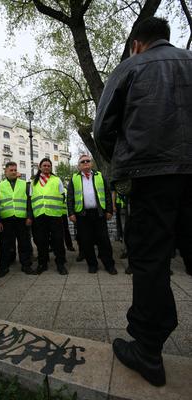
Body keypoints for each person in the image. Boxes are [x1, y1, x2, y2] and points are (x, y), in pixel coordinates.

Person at [94, 17, 192, 386]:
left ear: (136, 43)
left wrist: (124, 160)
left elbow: (102, 127)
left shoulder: (131, 66)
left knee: (151, 260)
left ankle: (148, 351)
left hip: (152, 177)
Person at [67, 154, 116, 274]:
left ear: (91, 163)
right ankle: (92, 264)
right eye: (82, 162)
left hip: (99, 213)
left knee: (104, 240)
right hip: (82, 215)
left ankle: (109, 264)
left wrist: (109, 210)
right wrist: (71, 213)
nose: (85, 163)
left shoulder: (99, 176)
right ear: (79, 166)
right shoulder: (74, 178)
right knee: (86, 241)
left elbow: (107, 193)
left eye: (87, 161)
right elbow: (70, 197)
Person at [0, 161, 36, 277]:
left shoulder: (24, 184)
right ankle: (3, 267)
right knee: (5, 244)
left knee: (24, 243)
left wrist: (29, 216)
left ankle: (26, 265)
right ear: (5, 172)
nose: (13, 172)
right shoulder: (0, 186)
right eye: (11, 170)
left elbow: (29, 201)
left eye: (15, 170)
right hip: (6, 220)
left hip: (21, 219)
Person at [29, 158, 68, 275]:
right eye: (44, 165)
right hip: (39, 215)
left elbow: (63, 196)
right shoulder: (33, 182)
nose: (46, 167)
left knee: (58, 241)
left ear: (51, 168)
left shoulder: (57, 180)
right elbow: (31, 199)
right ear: (40, 167)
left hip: (55, 215)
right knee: (41, 241)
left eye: (48, 166)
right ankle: (42, 264)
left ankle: (60, 264)